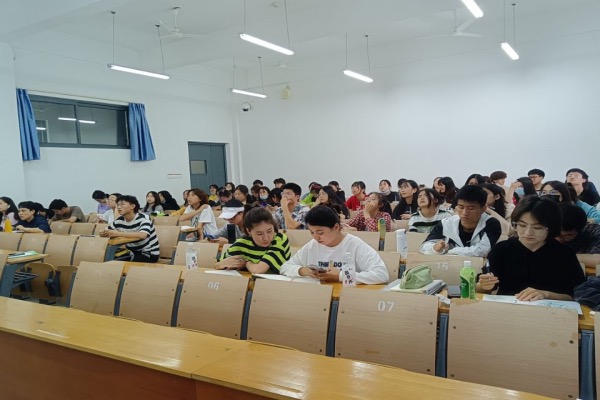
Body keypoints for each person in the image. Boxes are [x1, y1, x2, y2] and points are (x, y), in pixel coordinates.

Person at [478, 196, 585, 301]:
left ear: (551, 228)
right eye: (522, 225)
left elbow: (576, 295)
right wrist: (484, 285)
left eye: (537, 228)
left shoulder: (564, 254)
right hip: (509, 308)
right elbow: (482, 288)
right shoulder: (502, 249)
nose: (528, 232)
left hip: (550, 310)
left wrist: (546, 294)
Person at [280, 206, 389, 284]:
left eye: (320, 233)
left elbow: (382, 274)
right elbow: (285, 268)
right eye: (312, 232)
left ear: (336, 227)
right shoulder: (312, 245)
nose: (315, 237)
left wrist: (341, 276)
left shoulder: (355, 245)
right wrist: (304, 271)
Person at [420, 185, 501, 257]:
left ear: (483, 209)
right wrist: (434, 247)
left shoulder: (491, 224)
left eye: (471, 208)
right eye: (461, 207)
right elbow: (424, 246)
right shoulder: (446, 223)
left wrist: (450, 251)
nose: (464, 213)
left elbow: (482, 251)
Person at [215, 207, 290, 274]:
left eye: (269, 231)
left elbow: (258, 270)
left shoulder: (280, 239)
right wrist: (221, 264)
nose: (266, 238)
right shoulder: (242, 243)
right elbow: (217, 264)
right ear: (248, 231)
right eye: (259, 234)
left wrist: (247, 263)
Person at [100, 195, 160, 263]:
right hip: (132, 252)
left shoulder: (143, 219)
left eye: (122, 204)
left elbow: (143, 235)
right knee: (107, 255)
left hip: (149, 254)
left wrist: (118, 233)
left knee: (116, 260)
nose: (119, 207)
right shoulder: (119, 220)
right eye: (118, 205)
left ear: (132, 206)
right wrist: (103, 233)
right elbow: (107, 230)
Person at [557, 202, 600, 268]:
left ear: (581, 230)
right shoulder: (544, 230)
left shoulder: (593, 232)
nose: (559, 238)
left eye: (568, 235)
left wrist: (561, 257)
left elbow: (597, 260)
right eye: (557, 234)